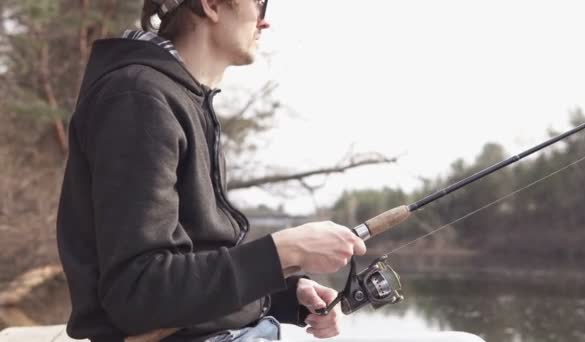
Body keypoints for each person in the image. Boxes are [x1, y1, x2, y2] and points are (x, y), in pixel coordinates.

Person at [55, 0, 367, 341]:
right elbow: (139, 292)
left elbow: (192, 269)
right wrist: (283, 251)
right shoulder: (139, 99)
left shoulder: (178, 98)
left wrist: (284, 296)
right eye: (260, 4)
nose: (265, 23)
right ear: (212, 5)